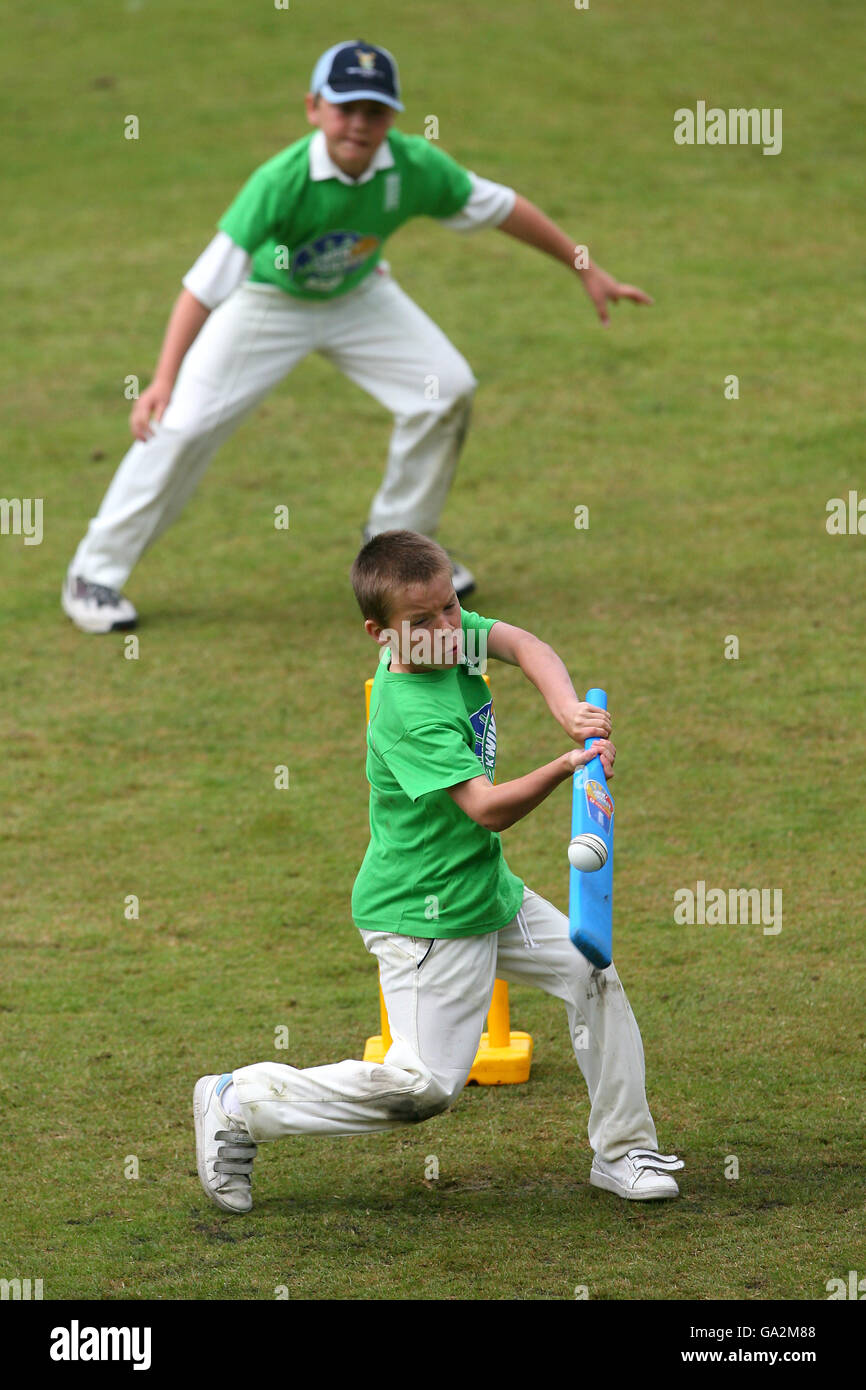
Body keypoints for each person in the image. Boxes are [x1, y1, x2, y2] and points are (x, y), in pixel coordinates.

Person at [62, 39, 652, 633]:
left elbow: (502, 208)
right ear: (313, 107)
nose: (358, 124)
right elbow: (202, 288)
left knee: (445, 389)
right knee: (182, 425)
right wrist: (163, 379)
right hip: (270, 301)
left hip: (359, 294)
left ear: (392, 117)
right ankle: (94, 574)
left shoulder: (415, 165)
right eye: (344, 108)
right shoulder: (281, 181)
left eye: (374, 111)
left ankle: (393, 552)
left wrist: (586, 269)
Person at [193, 530, 682, 1212]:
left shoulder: (448, 638)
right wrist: (565, 765)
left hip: (483, 889)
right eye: (423, 621)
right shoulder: (409, 712)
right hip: (426, 916)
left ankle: (624, 1151)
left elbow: (525, 646)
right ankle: (238, 1100)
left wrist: (565, 707)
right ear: (381, 633)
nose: (448, 629)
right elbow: (486, 810)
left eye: (451, 606)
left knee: (591, 972)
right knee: (423, 1089)